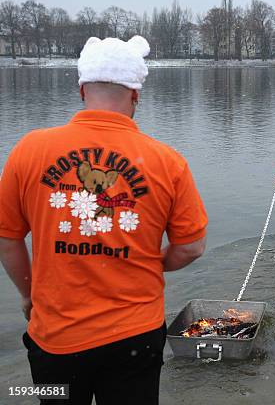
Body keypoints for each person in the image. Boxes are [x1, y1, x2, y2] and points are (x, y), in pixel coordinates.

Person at [0, 36, 208, 404]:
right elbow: (191, 246)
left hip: (54, 342)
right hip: (134, 339)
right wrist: (154, 262)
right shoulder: (167, 161)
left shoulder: (29, 150)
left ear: (82, 89)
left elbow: (7, 238)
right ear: (136, 94)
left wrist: (28, 294)